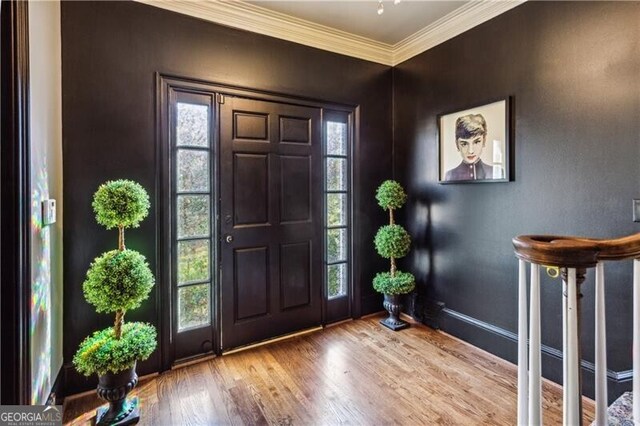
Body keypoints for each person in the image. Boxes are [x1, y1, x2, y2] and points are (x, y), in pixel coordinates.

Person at [444, 114, 494, 181]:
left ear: (484, 141)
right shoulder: (450, 175)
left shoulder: (494, 172)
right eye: (464, 144)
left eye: (476, 142)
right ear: (457, 144)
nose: (471, 151)